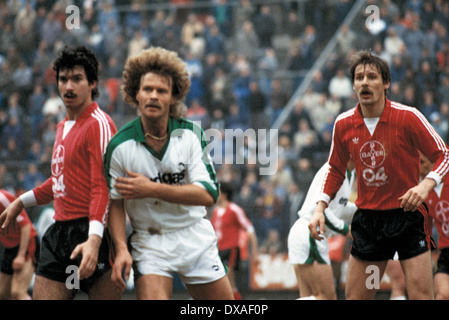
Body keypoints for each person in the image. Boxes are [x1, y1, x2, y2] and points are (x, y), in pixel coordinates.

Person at [308, 50, 449, 300]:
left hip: (407, 218)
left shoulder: (408, 117)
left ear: (386, 83)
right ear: (353, 85)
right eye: (359, 77)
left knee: (421, 297)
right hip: (369, 224)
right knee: (358, 298)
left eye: (372, 77)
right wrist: (319, 208)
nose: (365, 82)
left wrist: (425, 186)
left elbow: (443, 155)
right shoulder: (343, 124)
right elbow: (335, 169)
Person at [104, 47, 234, 300]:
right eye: (147, 89)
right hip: (150, 242)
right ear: (135, 94)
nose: (153, 96)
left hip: (193, 233)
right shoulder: (119, 146)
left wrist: (151, 189)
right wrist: (121, 248)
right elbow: (115, 203)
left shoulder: (191, 135)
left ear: (173, 97)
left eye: (161, 91)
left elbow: (209, 194)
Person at [0, 46, 119, 300]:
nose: (68, 86)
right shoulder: (62, 126)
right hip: (59, 233)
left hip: (93, 230)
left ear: (92, 83)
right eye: (63, 79)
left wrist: (94, 240)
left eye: (77, 79)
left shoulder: (99, 123)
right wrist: (21, 201)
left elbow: (103, 185)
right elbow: (59, 182)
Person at [288, 161, 356, 300]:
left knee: (310, 296)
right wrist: (345, 230)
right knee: (327, 297)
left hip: (306, 232)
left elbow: (339, 208)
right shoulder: (333, 169)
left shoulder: (349, 173)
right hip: (311, 232)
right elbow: (320, 209)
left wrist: (363, 209)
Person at [210, 182, 258, 300]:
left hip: (230, 249)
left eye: (218, 191)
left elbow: (250, 230)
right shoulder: (216, 211)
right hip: (217, 251)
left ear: (224, 194)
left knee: (228, 282)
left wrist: (255, 253)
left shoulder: (234, 209)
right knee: (222, 284)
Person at [0, 189, 39, 300]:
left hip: (26, 242)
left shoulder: (2, 199)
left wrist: (21, 255)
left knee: (17, 292)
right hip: (9, 247)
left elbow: (25, 226)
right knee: (3, 294)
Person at [420, 152, 449, 300]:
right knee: (442, 295)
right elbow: (426, 229)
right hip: (445, 251)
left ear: (435, 164)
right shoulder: (423, 193)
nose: (420, 169)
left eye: (423, 163)